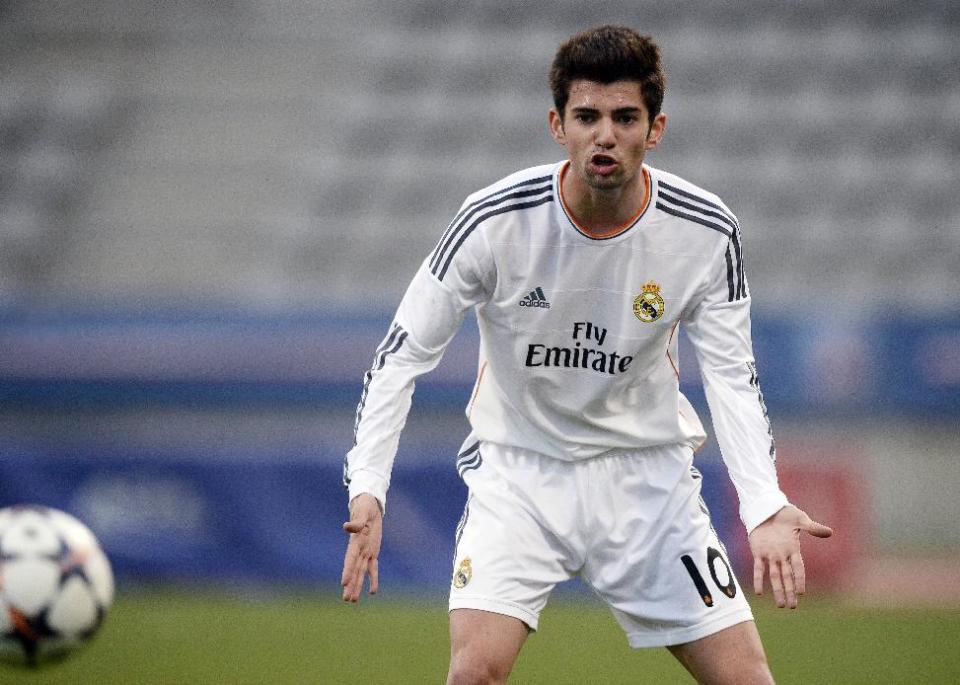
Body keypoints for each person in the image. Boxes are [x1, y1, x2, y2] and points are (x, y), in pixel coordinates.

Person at [341, 25, 832, 684]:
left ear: (654, 129)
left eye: (626, 117)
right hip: (519, 472)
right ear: (558, 124)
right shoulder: (492, 221)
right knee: (474, 673)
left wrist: (763, 504)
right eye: (588, 116)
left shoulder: (705, 230)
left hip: (647, 482)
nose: (606, 134)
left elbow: (732, 379)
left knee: (747, 679)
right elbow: (400, 355)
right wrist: (369, 485)